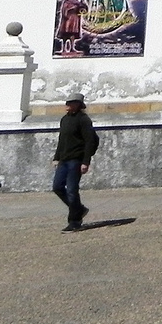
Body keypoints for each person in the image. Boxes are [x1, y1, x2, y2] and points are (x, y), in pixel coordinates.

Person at [52, 95, 98, 232]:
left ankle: (74, 221)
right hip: (64, 160)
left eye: (71, 103)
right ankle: (79, 209)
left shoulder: (84, 120)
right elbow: (62, 140)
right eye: (67, 102)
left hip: (76, 160)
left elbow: (89, 141)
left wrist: (86, 161)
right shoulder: (64, 119)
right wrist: (56, 157)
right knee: (57, 187)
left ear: (78, 105)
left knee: (72, 190)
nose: (67, 105)